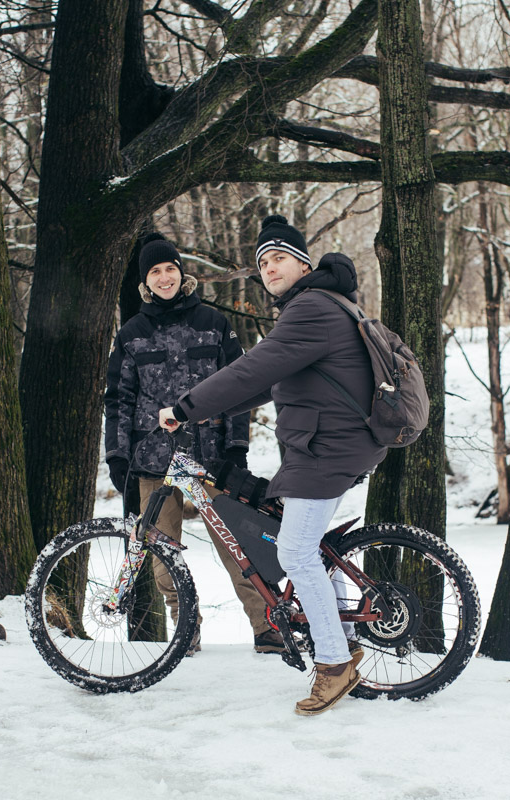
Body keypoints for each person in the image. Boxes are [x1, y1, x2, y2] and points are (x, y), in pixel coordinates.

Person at [159, 214, 387, 715]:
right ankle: (345, 642)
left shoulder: (310, 309)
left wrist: (185, 407)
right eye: (262, 261)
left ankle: (333, 664)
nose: (269, 268)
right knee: (315, 551)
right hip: (335, 443)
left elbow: (253, 367)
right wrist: (209, 411)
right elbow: (269, 382)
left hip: (328, 447)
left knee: (296, 553)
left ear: (304, 263)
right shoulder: (323, 304)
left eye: (279, 257)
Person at [104, 232, 285, 654]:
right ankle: (187, 631)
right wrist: (117, 457)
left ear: (181, 274)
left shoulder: (213, 323)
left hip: (211, 460)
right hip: (153, 463)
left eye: (170, 268)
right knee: (164, 563)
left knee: (237, 548)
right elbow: (118, 399)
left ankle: (266, 628)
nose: (165, 277)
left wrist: (236, 447)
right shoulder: (131, 334)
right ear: (145, 283)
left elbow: (241, 388)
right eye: (155, 272)